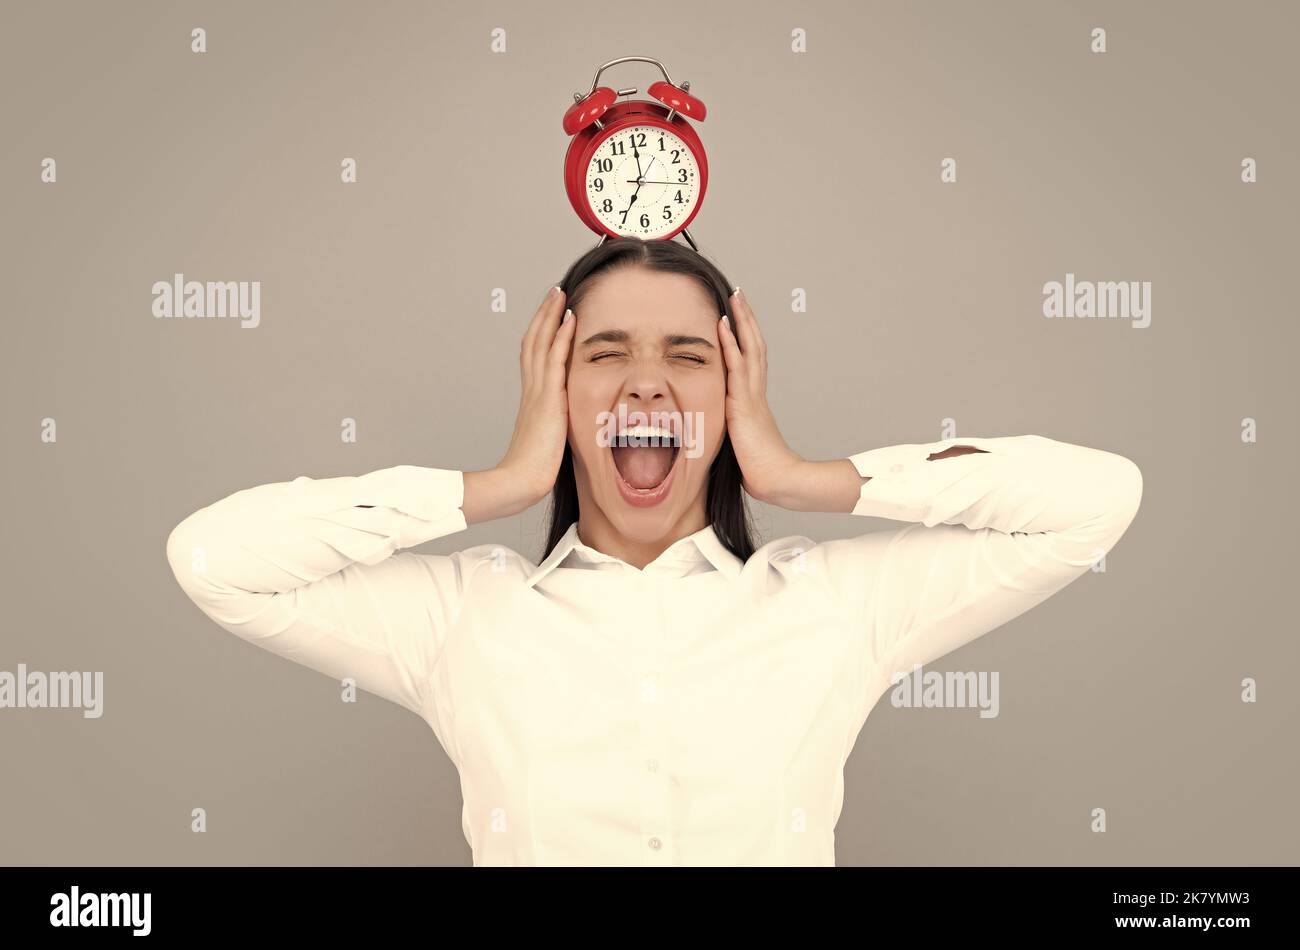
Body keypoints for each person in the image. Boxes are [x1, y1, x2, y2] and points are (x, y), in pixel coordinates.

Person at [165, 237, 1143, 866]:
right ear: (553, 393)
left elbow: (1096, 501)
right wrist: (496, 485)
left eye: (686, 356)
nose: (645, 387)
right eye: (603, 353)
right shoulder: (463, 619)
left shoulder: (832, 605)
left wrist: (804, 475)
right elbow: (213, 557)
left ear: (732, 398)